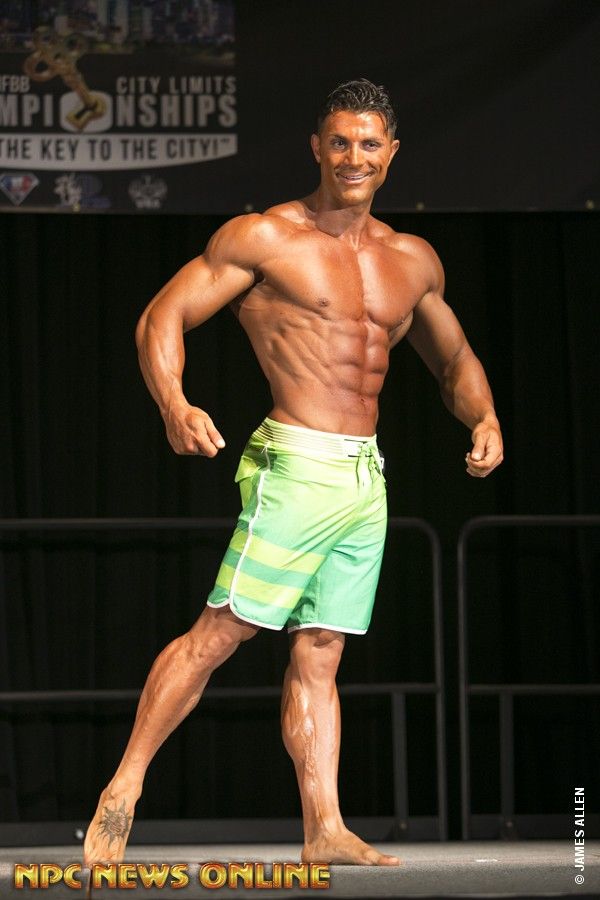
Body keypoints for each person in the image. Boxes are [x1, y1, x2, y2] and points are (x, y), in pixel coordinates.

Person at [83, 78, 503, 868]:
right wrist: (173, 403)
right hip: (296, 463)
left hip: (364, 475)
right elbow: (162, 315)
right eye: (339, 142)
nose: (353, 157)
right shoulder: (266, 238)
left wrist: (483, 417)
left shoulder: (412, 259)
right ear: (316, 147)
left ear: (392, 153)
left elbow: (453, 359)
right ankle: (123, 790)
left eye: (369, 144)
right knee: (222, 632)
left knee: (321, 649)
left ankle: (324, 827)